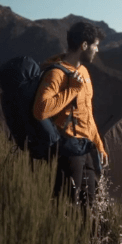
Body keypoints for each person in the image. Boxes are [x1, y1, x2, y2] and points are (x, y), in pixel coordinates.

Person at [33, 21, 109, 206]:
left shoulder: (83, 71)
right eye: (95, 45)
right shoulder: (56, 74)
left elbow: (87, 113)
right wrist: (72, 90)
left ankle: (84, 235)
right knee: (66, 205)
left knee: (88, 205)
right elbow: (40, 110)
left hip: (86, 147)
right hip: (67, 149)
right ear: (84, 46)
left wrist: (99, 145)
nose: (97, 50)